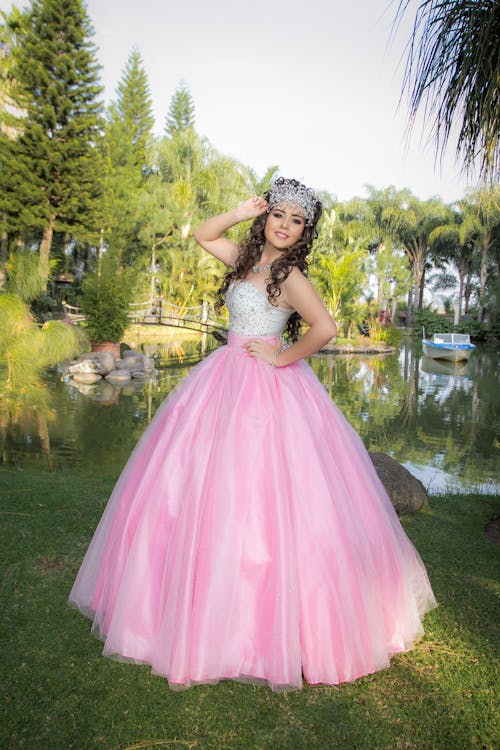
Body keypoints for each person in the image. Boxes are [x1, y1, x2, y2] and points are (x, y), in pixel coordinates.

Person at [69, 176, 437, 691]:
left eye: (296, 220)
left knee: (266, 498)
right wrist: (242, 210)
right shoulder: (246, 262)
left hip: (266, 384)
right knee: (198, 488)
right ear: (267, 217)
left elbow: (324, 328)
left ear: (305, 231)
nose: (285, 226)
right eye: (279, 214)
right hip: (222, 380)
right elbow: (203, 233)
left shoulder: (290, 276)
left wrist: (280, 356)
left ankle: (269, 626)